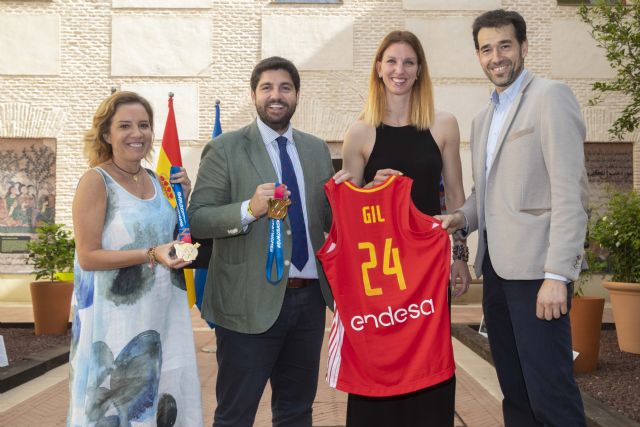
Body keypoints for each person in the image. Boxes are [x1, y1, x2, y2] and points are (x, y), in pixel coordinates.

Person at [437, 9, 588, 426]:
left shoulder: (550, 96)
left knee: (551, 395)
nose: (495, 56)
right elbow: (485, 195)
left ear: (523, 46)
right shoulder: (484, 118)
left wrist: (558, 275)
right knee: (515, 395)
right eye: (486, 49)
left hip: (538, 276)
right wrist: (459, 219)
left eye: (504, 45)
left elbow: (570, 191)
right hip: (497, 276)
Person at [188, 56, 335, 427]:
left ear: (297, 95)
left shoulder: (317, 150)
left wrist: (359, 194)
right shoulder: (226, 148)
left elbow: (327, 221)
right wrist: (248, 209)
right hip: (246, 305)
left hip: (309, 301)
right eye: (267, 87)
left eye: (285, 87)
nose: (276, 95)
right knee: (236, 414)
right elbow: (199, 218)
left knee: (297, 412)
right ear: (254, 94)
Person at [336, 30, 471, 427]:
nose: (400, 70)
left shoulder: (443, 125)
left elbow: (457, 197)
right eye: (391, 61)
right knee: (378, 362)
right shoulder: (360, 132)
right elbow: (350, 211)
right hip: (379, 275)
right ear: (379, 69)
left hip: (427, 272)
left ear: (419, 71)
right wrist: (372, 189)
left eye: (408, 62)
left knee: (430, 367)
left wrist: (459, 256)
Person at [69, 91, 203, 426]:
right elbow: (88, 256)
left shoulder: (158, 181)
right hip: (115, 326)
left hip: (164, 318)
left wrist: (183, 199)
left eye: (144, 125)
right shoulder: (95, 181)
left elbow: (171, 241)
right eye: (125, 125)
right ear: (106, 134)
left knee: (163, 407)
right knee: (120, 410)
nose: (137, 133)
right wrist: (150, 253)